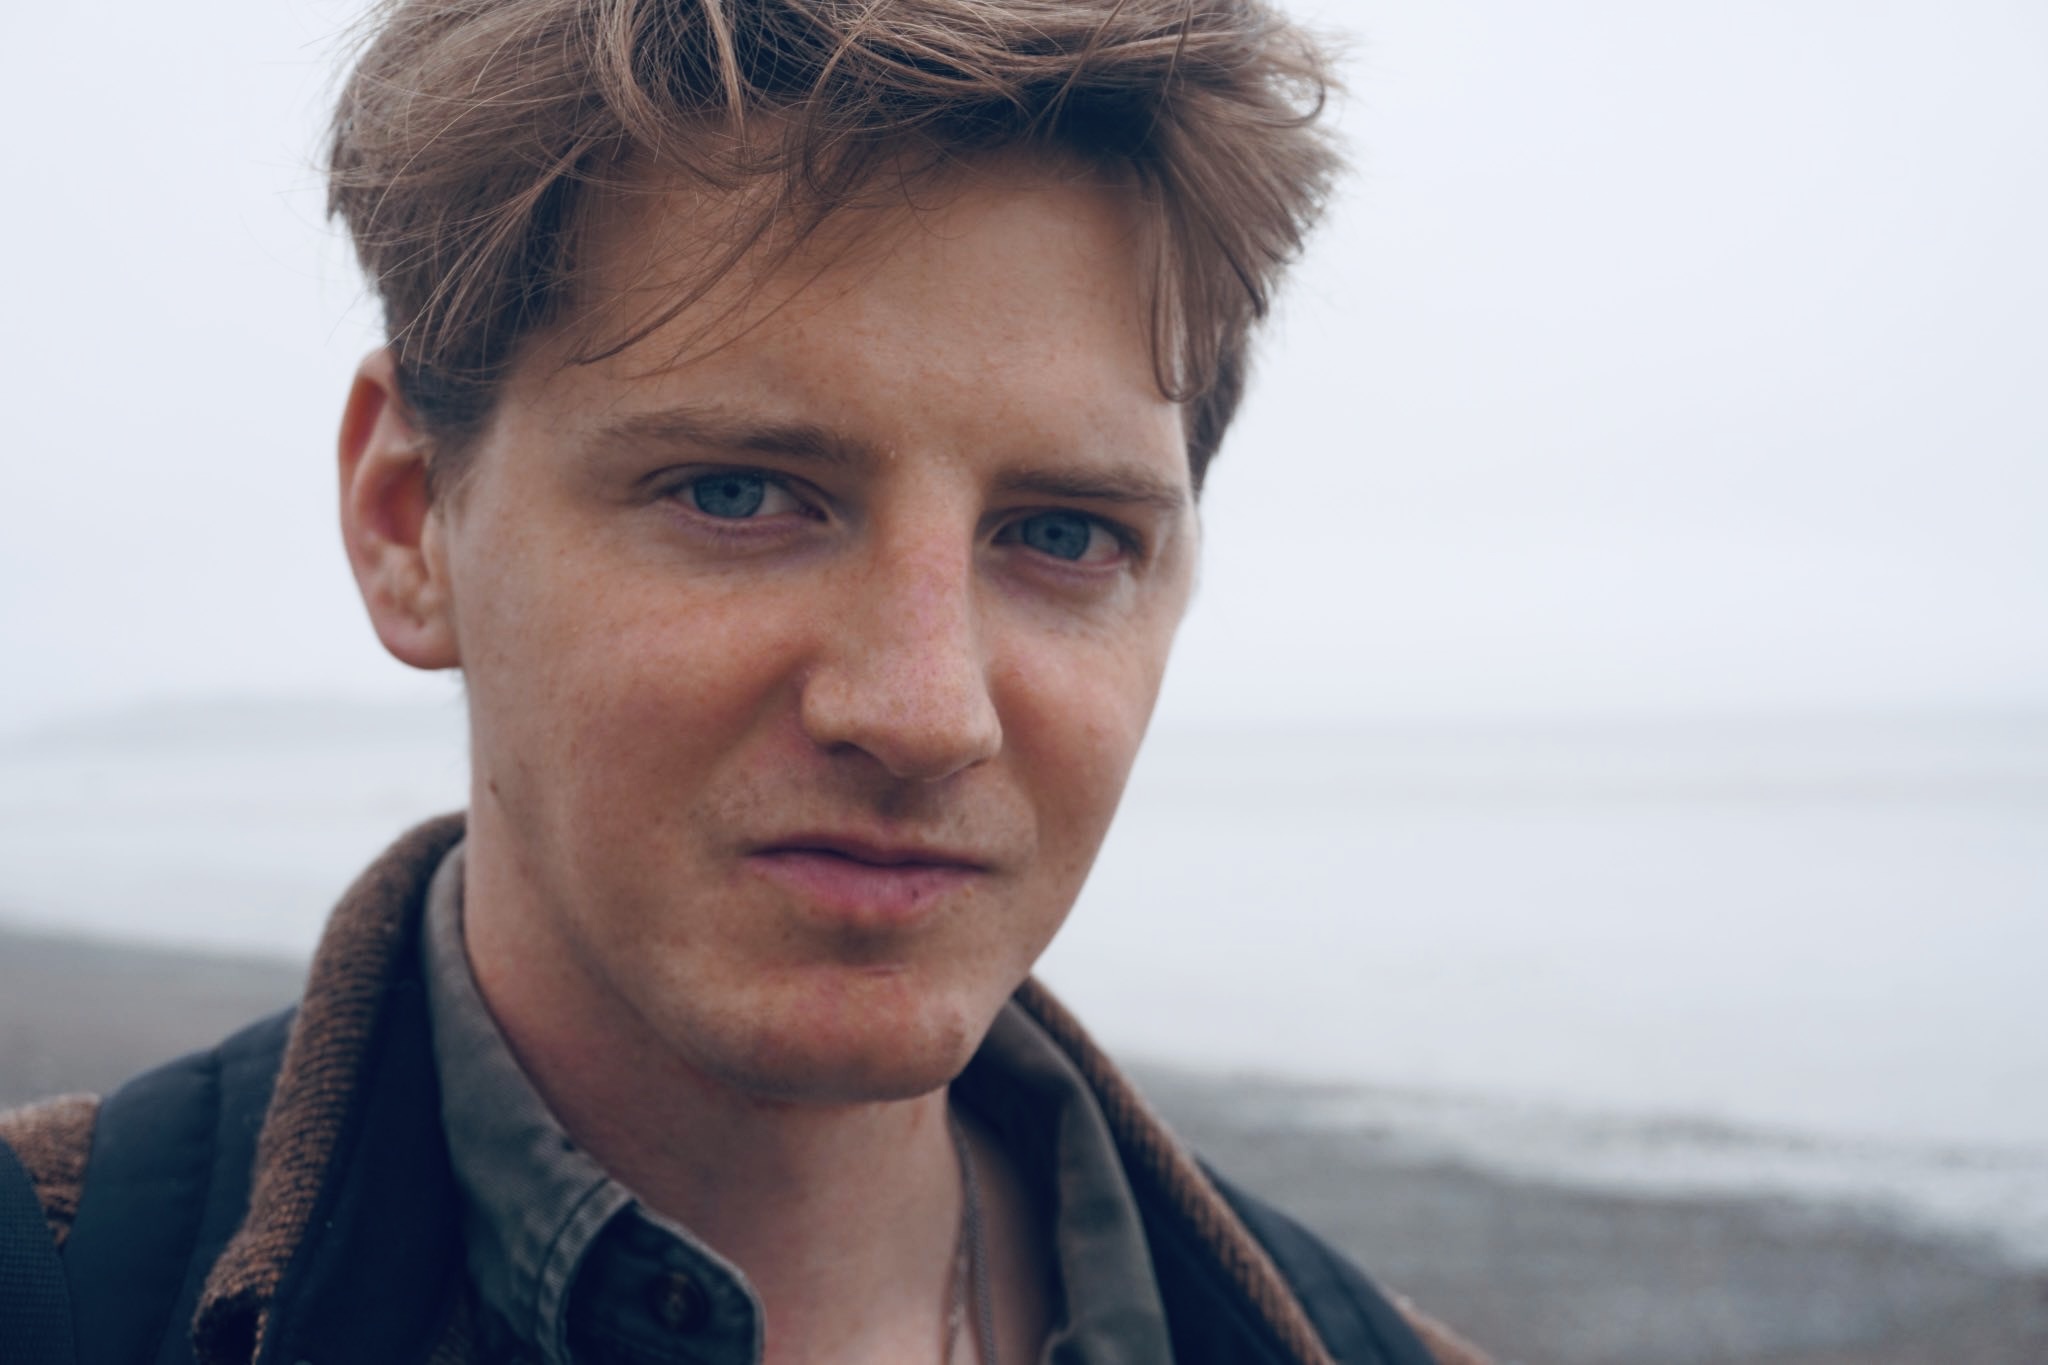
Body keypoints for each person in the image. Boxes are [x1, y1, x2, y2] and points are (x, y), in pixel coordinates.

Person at [0, 0, 1489, 1361]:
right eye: (737, 494)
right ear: (409, 519)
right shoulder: (59, 1286)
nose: (924, 712)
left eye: (1059, 535)